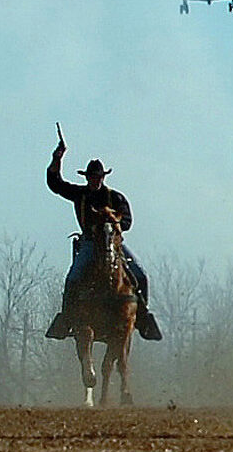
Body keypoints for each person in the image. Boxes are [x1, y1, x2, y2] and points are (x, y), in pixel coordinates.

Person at [44, 143, 163, 341]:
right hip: (90, 244)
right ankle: (67, 319)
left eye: (98, 177)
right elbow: (55, 184)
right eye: (92, 177)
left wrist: (114, 225)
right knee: (72, 279)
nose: (95, 181)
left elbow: (127, 221)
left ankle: (142, 319)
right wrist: (57, 159)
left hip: (113, 244)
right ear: (87, 178)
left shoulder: (115, 198)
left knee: (141, 275)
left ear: (103, 178)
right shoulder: (80, 195)